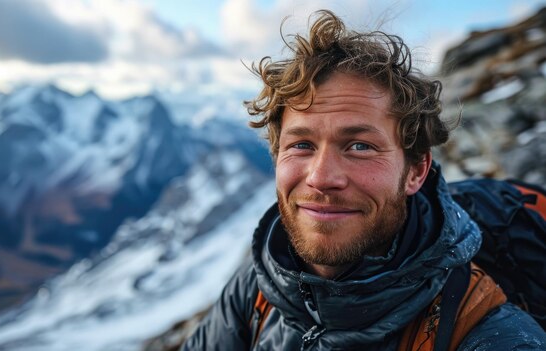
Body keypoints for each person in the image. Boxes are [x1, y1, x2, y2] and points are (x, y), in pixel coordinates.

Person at [182, 10, 546, 350]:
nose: (321, 177)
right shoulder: (258, 287)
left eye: (359, 146)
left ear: (416, 171)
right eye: (302, 144)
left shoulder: (491, 336)